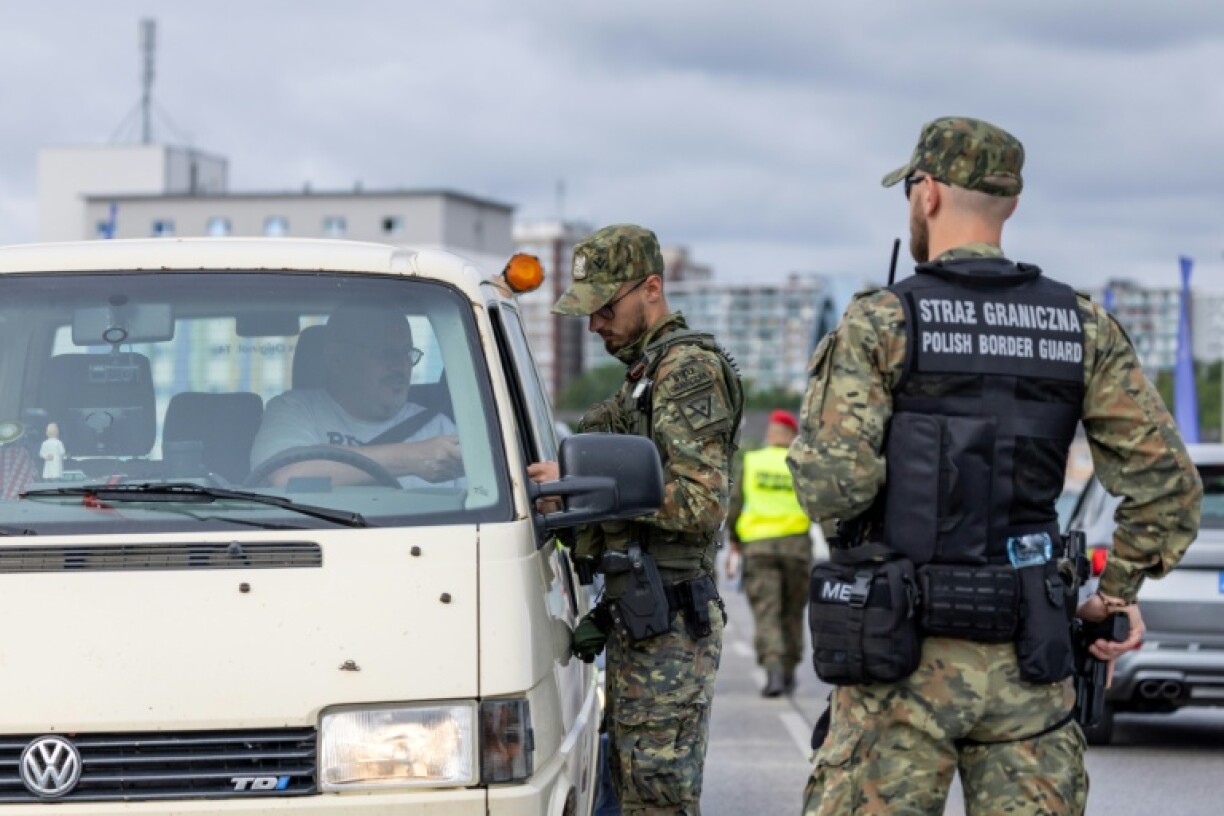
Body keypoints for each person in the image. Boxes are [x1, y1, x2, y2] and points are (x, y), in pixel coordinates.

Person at [788, 116, 1203, 815]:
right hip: (1031, 660)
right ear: (1010, 203)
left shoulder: (883, 320)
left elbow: (835, 485)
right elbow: (1167, 488)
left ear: (928, 194)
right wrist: (1117, 591)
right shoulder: (1080, 326)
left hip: (899, 660)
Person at [528, 224, 743, 815]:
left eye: (604, 307)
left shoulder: (685, 373)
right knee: (631, 791)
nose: (594, 324)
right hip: (642, 616)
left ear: (652, 288)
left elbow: (702, 502)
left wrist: (587, 490)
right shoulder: (642, 378)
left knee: (658, 799)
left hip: (670, 618)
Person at [250, 301, 462, 488]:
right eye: (386, 353)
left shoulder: (438, 428)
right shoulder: (295, 411)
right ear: (338, 359)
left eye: (407, 353)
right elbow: (288, 477)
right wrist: (412, 457)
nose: (402, 366)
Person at [726, 408, 811, 697]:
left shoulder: (753, 462)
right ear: (792, 436)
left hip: (759, 549)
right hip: (797, 549)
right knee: (792, 612)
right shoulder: (802, 464)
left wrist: (733, 541)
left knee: (767, 612)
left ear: (771, 434)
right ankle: (788, 671)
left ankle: (773, 671)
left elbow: (735, 505)